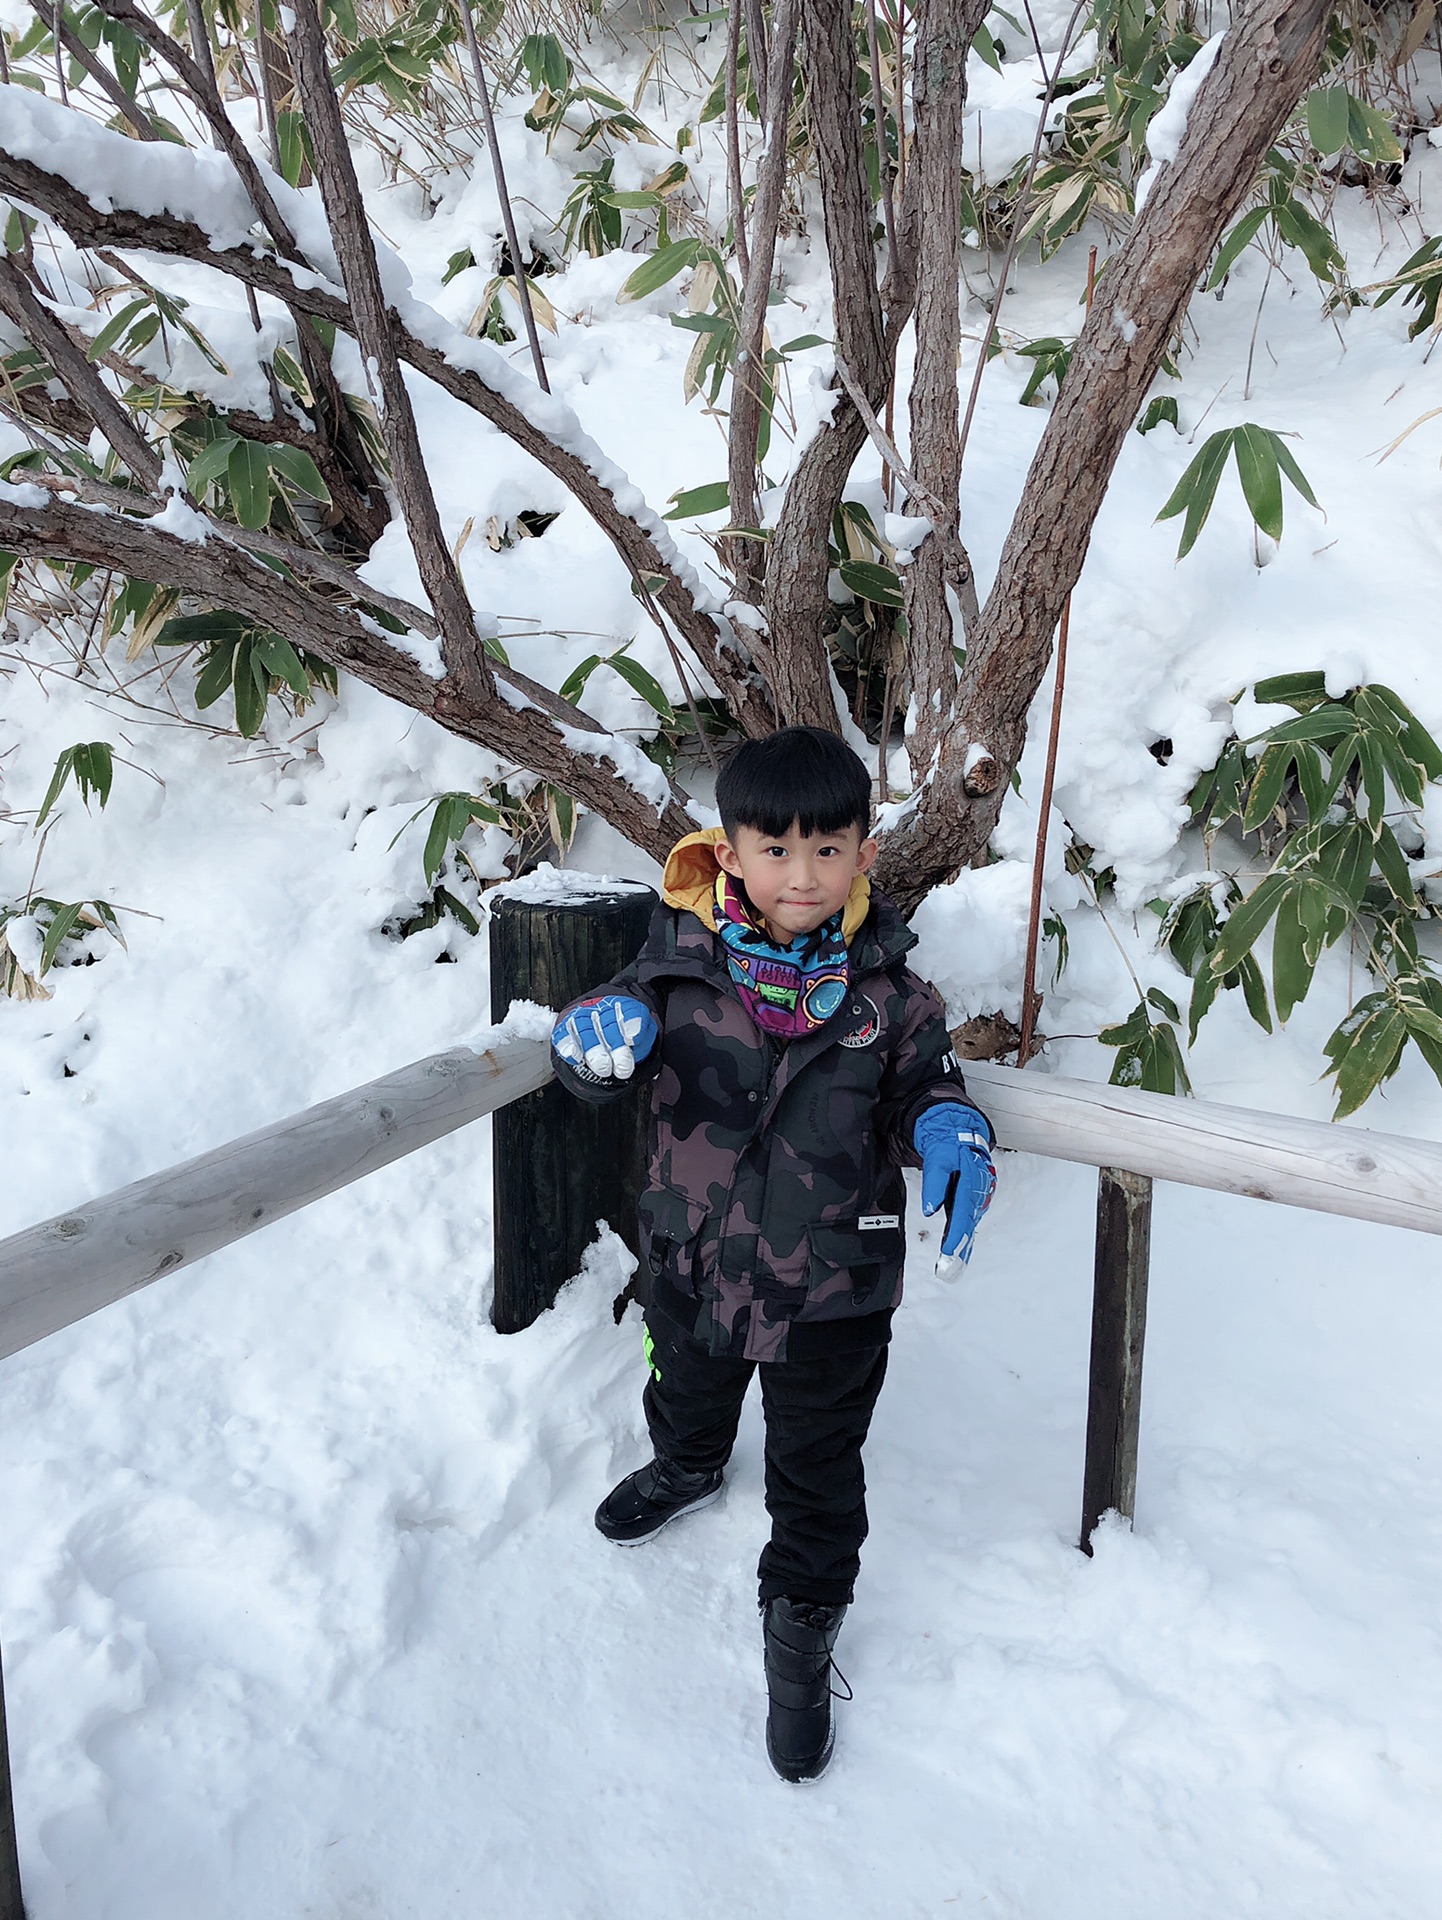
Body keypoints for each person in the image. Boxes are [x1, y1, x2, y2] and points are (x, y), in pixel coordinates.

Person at [549, 726, 996, 1782]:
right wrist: (594, 1038)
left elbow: (923, 1087)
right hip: (692, 1265)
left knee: (816, 1469)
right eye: (777, 850)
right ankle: (688, 1464)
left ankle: (802, 1618)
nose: (803, 876)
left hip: (832, 1289)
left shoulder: (890, 998)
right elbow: (601, 1045)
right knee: (686, 1392)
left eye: (828, 850)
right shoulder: (675, 971)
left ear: (862, 855)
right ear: (730, 852)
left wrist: (944, 1128)